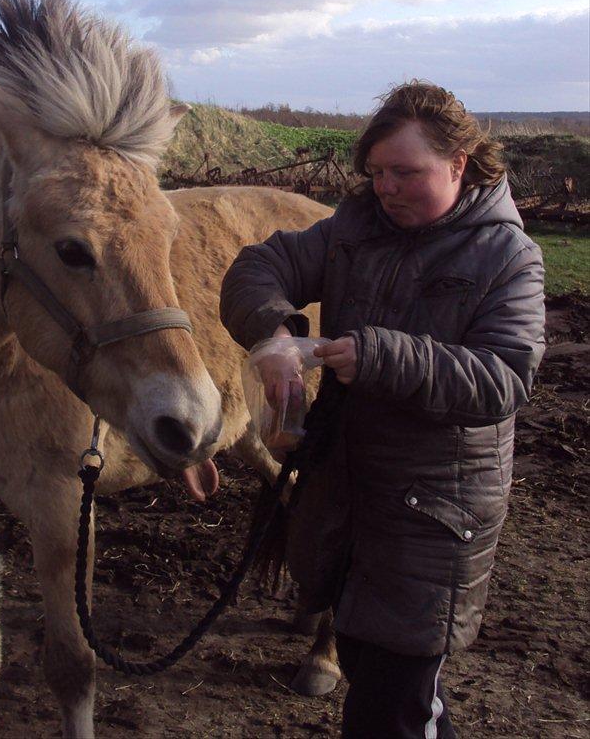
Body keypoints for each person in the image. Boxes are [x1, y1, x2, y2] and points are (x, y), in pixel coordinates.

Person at [219, 81, 546, 739]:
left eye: (405, 172)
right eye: (375, 172)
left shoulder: (508, 258)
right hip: (346, 504)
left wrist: (378, 357)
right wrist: (275, 331)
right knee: (389, 694)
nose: (387, 187)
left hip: (432, 518)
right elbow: (260, 263)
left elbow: (504, 377)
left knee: (388, 711)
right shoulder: (353, 230)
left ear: (458, 164)